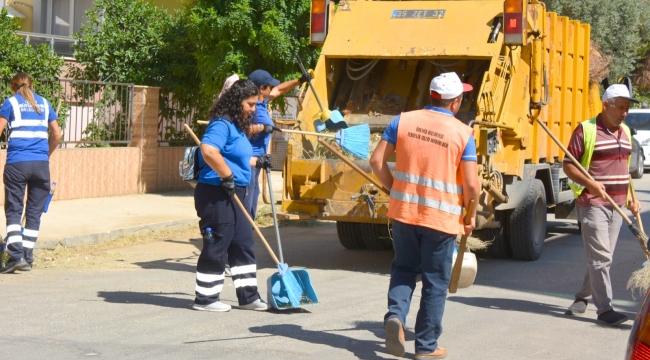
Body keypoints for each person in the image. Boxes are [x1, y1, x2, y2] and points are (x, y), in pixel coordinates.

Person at [370, 72, 480, 359]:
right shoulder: (463, 134)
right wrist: (472, 215)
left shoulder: (403, 120)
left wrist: (395, 188)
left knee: (404, 269)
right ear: (455, 102)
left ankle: (395, 316)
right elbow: (470, 185)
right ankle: (426, 347)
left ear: (431, 96)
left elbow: (376, 160)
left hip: (405, 213)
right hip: (441, 221)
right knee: (435, 282)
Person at [192, 79, 275, 312]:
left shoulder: (238, 127)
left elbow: (237, 158)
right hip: (216, 192)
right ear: (237, 101)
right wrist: (227, 176)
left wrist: (257, 161)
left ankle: (248, 297)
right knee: (218, 242)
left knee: (242, 243)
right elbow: (208, 151)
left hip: (236, 190)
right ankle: (205, 299)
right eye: (250, 104)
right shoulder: (221, 124)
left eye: (256, 104)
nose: (253, 109)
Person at [564, 84, 641, 326]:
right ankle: (605, 308)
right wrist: (591, 183)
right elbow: (569, 165)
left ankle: (582, 297)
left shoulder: (626, 132)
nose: (624, 112)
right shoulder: (585, 130)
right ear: (606, 105)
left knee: (602, 256)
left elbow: (624, 169)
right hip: (593, 202)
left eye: (627, 108)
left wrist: (632, 197)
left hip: (617, 205)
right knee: (601, 257)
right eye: (621, 107)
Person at [0, 73, 62, 274]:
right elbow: (57, 134)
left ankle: (16, 256)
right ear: (32, 86)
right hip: (41, 164)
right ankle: (27, 255)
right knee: (34, 212)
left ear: (13, 87)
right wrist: (46, 154)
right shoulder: (44, 103)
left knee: (14, 210)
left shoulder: (10, 103)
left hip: (17, 164)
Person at [245, 69, 310, 218]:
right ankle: (244, 226)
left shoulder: (261, 102)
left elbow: (279, 89)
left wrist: (300, 81)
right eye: (269, 86)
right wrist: (261, 128)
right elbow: (240, 129)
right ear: (261, 88)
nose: (272, 89)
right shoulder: (250, 107)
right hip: (249, 158)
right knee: (248, 193)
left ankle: (249, 225)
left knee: (254, 191)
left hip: (259, 159)